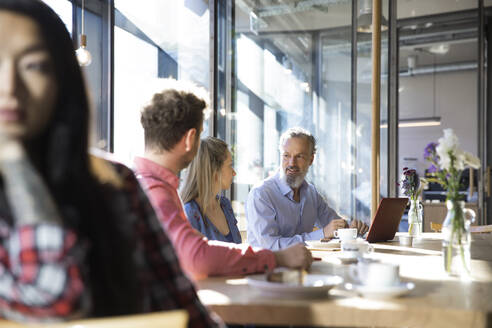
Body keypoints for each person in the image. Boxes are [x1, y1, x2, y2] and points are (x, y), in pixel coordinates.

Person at [0, 1, 219, 326]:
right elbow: (54, 298)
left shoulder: (115, 181)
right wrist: (14, 159)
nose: (9, 88)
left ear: (61, 81)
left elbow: (181, 304)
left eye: (34, 66)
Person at [133, 83, 313, 280]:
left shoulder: (142, 186)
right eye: (201, 132)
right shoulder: (155, 193)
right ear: (190, 138)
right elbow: (198, 257)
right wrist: (276, 258)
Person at [246, 127, 368, 250]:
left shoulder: (311, 193)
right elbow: (270, 246)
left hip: (304, 265)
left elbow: (335, 227)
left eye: (299, 156)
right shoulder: (261, 194)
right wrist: (322, 233)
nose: (291, 163)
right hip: (269, 267)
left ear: (311, 159)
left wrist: (352, 229)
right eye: (286, 155)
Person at [181, 137, 241, 244]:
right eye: (230, 165)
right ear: (214, 171)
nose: (234, 172)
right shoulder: (189, 213)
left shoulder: (225, 205)